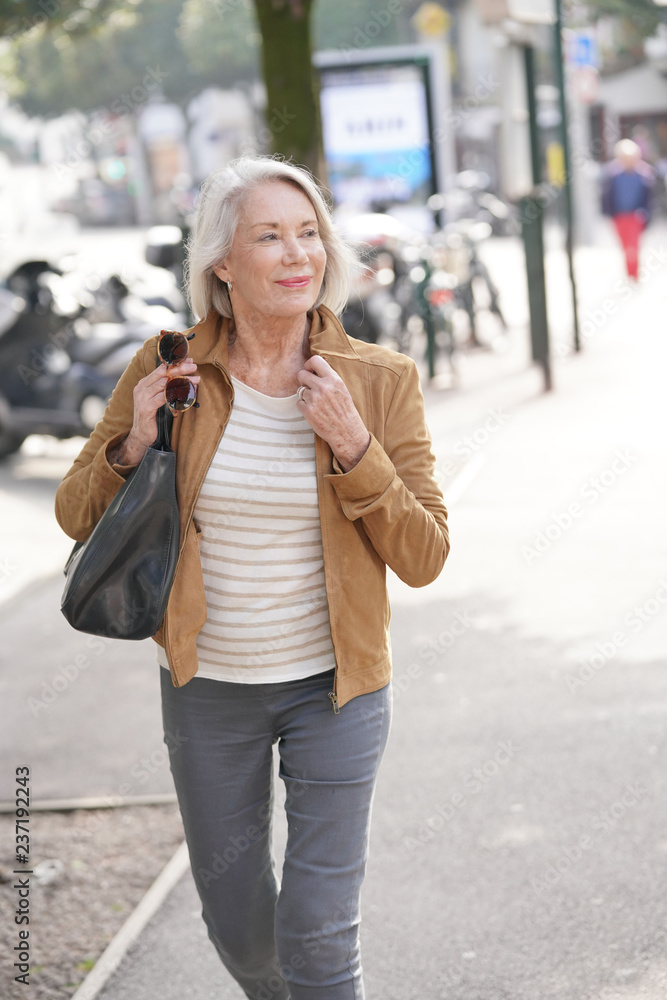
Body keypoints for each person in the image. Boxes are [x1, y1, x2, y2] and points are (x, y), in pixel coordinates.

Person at [55, 155, 450, 1000]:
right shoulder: (167, 365)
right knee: (237, 926)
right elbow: (75, 515)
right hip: (209, 689)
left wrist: (353, 445)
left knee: (316, 928)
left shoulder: (377, 382)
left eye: (307, 232)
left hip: (336, 690)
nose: (295, 252)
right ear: (221, 265)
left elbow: (424, 555)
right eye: (268, 235)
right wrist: (132, 442)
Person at [602, 139, 654, 280]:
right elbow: (606, 196)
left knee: (633, 246)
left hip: (636, 216)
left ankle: (634, 274)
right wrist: (609, 213)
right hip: (619, 216)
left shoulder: (644, 174)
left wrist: (646, 214)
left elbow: (649, 198)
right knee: (625, 246)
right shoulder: (613, 175)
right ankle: (629, 273)